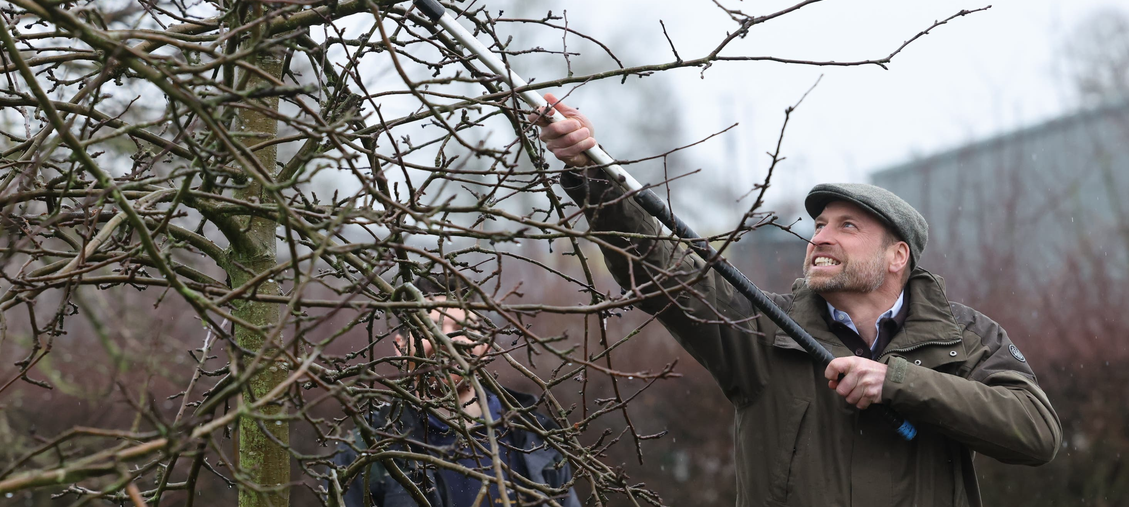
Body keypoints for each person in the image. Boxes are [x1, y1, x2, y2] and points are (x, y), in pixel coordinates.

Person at [531, 95, 1061, 507]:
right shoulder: (762, 327)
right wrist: (591, 173)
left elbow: (1036, 434)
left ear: (897, 256)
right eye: (820, 225)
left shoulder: (965, 338)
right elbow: (661, 268)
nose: (820, 237)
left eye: (847, 226)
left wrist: (899, 383)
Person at [331, 276, 581, 507]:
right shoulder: (367, 448)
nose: (448, 340)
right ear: (401, 347)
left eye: (463, 328)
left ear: (486, 346)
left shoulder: (536, 438)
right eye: (429, 327)